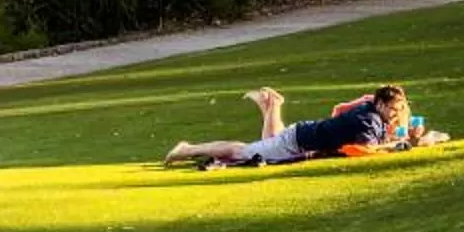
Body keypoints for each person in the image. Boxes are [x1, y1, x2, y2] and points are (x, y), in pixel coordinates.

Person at [164, 84, 409, 169]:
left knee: (267, 142)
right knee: (241, 152)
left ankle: (271, 105)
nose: (396, 114)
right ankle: (186, 149)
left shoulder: (370, 110)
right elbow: (363, 150)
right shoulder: (370, 119)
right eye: (393, 109)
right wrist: (393, 146)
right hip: (297, 142)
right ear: (380, 104)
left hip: (299, 137)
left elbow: (339, 111)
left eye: (398, 110)